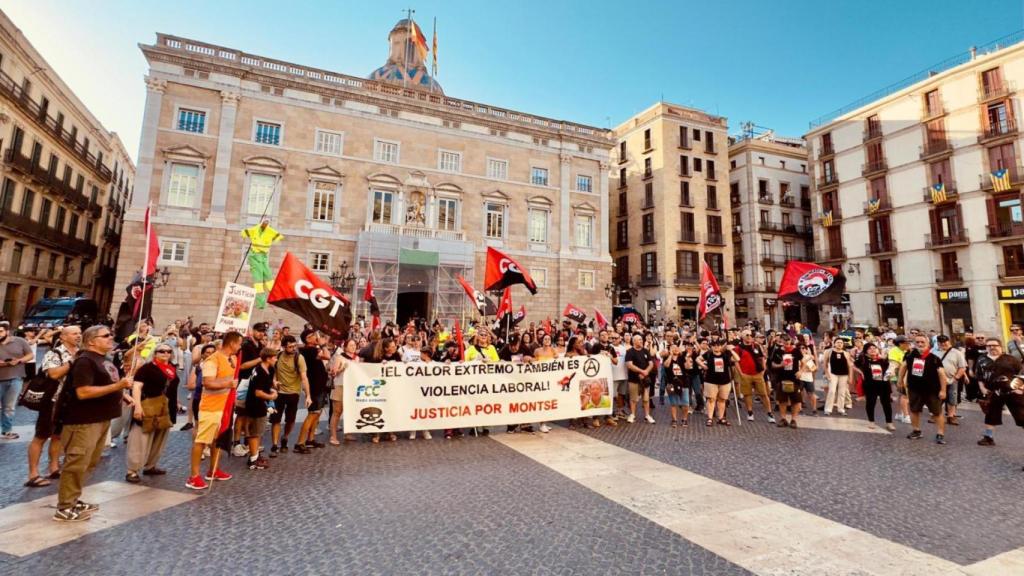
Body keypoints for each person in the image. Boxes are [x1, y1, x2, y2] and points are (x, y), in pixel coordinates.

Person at [53, 325, 133, 522]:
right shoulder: (85, 361)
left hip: (100, 419)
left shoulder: (103, 360)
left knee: (89, 463)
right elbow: (83, 392)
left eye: (111, 335)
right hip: (83, 421)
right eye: (105, 336)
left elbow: (104, 385)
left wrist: (121, 394)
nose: (110, 338)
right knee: (76, 463)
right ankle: (64, 507)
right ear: (91, 341)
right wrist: (119, 386)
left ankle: (73, 498)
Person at [186, 332, 242, 490]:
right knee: (202, 441)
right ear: (232, 343)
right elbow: (208, 382)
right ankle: (194, 476)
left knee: (218, 439)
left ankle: (213, 470)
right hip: (210, 407)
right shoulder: (213, 360)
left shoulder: (233, 359)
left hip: (225, 406)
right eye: (239, 343)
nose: (239, 347)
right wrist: (228, 384)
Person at [26, 325, 80, 487]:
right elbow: (54, 373)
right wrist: (72, 362)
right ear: (63, 337)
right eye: (74, 333)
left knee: (58, 435)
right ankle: (33, 474)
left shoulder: (80, 353)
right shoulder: (54, 353)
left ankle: (54, 467)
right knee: (41, 435)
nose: (78, 336)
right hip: (52, 400)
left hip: (69, 401)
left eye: (79, 333)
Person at [124, 344, 177, 483]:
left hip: (165, 408)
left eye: (169, 351)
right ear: (155, 353)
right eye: (162, 351)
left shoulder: (171, 368)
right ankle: (132, 470)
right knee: (140, 438)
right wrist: (137, 406)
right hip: (148, 405)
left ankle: (150, 465)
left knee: (159, 437)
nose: (166, 353)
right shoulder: (147, 368)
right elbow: (137, 386)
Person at [899, 334, 948, 445]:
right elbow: (903, 367)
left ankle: (940, 434)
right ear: (914, 343)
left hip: (932, 390)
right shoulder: (910, 356)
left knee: (937, 412)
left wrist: (943, 390)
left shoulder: (934, 359)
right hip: (915, 389)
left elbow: (942, 375)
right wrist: (900, 381)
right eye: (918, 342)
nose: (920, 344)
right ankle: (916, 430)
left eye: (922, 342)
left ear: (928, 344)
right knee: (914, 410)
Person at [976, 337, 1024, 447]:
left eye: (995, 345)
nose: (992, 347)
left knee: (1021, 416)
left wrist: (1021, 388)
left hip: (1012, 392)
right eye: (989, 346)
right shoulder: (981, 359)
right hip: (993, 393)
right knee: (991, 415)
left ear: (1000, 347)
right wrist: (982, 388)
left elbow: (1021, 375)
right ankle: (988, 438)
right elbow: (979, 377)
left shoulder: (1011, 359)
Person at [270, 335, 306, 456]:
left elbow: (304, 377)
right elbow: (274, 372)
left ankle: (285, 438)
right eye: (290, 347)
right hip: (279, 393)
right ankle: (274, 445)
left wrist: (308, 394)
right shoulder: (278, 356)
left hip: (293, 393)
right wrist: (274, 381)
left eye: (295, 346)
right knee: (276, 419)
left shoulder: (299, 358)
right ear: (284, 347)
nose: (293, 348)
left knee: (290, 420)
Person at [295, 331, 330, 454]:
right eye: (314, 336)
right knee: (312, 414)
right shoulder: (310, 350)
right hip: (314, 387)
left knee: (317, 413)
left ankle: (310, 439)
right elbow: (327, 356)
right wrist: (323, 345)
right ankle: (300, 442)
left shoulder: (309, 350)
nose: (317, 337)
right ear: (308, 339)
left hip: (319, 385)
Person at [243, 347, 278, 470]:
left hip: (260, 404)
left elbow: (265, 386)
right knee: (255, 433)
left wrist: (272, 388)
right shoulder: (260, 372)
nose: (276, 359)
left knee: (259, 432)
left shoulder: (269, 369)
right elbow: (258, 392)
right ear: (268, 359)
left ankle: (256, 455)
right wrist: (271, 396)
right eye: (274, 357)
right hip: (255, 404)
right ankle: (253, 459)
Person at [0, 322, 34, 439]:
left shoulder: (19, 341)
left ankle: (7, 430)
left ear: (7, 332)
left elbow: (30, 355)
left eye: (1, 332)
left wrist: (19, 360)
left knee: (9, 406)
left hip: (16, 378)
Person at [736, 331, 776, 423]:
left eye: (751, 335)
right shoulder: (738, 348)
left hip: (758, 374)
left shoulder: (756, 346)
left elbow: (762, 358)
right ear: (742, 337)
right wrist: (741, 373)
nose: (749, 337)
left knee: (764, 394)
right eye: (747, 335)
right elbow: (736, 361)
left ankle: (769, 413)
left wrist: (763, 370)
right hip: (746, 374)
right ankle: (750, 412)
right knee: (747, 394)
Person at [699, 339, 738, 427]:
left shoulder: (725, 355)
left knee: (722, 400)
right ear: (711, 346)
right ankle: (710, 418)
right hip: (711, 380)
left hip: (724, 381)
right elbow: (698, 359)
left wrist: (731, 350)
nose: (716, 346)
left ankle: (721, 418)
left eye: (718, 345)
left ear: (721, 346)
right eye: (714, 345)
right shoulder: (709, 354)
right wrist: (703, 366)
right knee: (711, 399)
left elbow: (737, 359)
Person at [856, 342, 894, 430]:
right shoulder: (863, 360)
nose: (873, 350)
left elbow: (890, 369)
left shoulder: (883, 360)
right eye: (870, 348)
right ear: (866, 352)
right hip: (870, 385)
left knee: (886, 404)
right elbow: (852, 365)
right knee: (871, 403)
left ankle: (889, 422)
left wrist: (890, 374)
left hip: (884, 385)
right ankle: (871, 421)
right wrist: (860, 372)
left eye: (874, 348)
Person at [328, 339, 359, 445]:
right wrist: (342, 369)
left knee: (349, 411)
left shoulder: (357, 358)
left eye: (354, 345)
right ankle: (333, 436)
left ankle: (348, 433)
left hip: (352, 387)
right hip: (340, 386)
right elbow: (333, 374)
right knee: (337, 412)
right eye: (351, 345)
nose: (353, 347)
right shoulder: (339, 357)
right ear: (345, 347)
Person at [769, 335, 802, 428]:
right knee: (782, 400)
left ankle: (794, 419)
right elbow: (772, 364)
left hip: (794, 378)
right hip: (781, 378)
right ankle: (783, 419)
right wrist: (780, 365)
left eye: (789, 342)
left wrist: (801, 371)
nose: (787, 344)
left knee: (795, 400)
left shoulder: (796, 350)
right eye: (785, 342)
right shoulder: (778, 351)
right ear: (782, 342)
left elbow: (803, 362)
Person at [935, 335, 966, 426]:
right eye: (940, 342)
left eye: (945, 342)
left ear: (949, 342)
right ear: (938, 343)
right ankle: (936, 415)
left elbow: (962, 367)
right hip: (937, 380)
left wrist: (956, 378)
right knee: (937, 398)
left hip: (952, 379)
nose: (943, 344)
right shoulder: (934, 352)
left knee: (952, 398)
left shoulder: (957, 353)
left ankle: (951, 416)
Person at [625, 334, 655, 424]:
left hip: (645, 379)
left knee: (646, 399)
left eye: (641, 339)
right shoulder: (630, 352)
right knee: (633, 399)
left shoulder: (645, 351)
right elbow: (629, 365)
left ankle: (647, 415)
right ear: (634, 341)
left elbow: (651, 364)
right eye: (639, 340)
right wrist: (642, 371)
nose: (641, 341)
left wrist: (646, 372)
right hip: (633, 379)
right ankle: (633, 415)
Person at [824, 338, 854, 416]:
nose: (839, 344)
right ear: (834, 343)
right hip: (833, 374)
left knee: (842, 392)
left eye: (841, 343)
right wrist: (827, 373)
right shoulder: (829, 352)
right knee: (832, 391)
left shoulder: (846, 353)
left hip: (844, 374)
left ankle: (841, 409)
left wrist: (850, 377)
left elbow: (850, 366)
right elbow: (825, 364)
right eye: (838, 342)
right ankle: (828, 409)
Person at [662, 344, 690, 427]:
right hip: (672, 383)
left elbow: (688, 367)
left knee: (686, 403)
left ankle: (684, 419)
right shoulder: (667, 358)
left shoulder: (682, 358)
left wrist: (687, 357)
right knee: (673, 403)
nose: (675, 349)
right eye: (673, 348)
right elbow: (666, 365)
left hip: (683, 383)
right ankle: (674, 419)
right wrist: (670, 355)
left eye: (677, 348)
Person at [889, 336, 912, 423]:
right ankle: (906, 416)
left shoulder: (906, 351)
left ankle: (899, 414)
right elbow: (894, 364)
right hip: (897, 376)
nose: (908, 344)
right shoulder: (894, 351)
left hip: (905, 376)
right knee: (904, 396)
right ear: (900, 343)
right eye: (906, 342)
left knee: (900, 396)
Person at [796, 343, 818, 416]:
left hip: (808, 378)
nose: (801, 350)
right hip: (800, 378)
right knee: (799, 394)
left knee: (811, 394)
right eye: (800, 348)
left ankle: (814, 409)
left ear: (806, 350)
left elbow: (813, 368)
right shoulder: (797, 357)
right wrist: (805, 367)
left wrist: (804, 368)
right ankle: (800, 409)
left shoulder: (808, 357)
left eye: (803, 348)